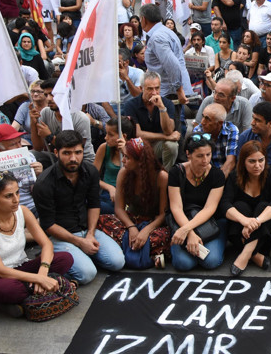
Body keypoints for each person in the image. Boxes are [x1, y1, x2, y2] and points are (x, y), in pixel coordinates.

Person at [34, 130, 125, 284]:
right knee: (87, 274)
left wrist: (90, 234)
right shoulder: (44, 184)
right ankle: (59, 259)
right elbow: (48, 225)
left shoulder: (90, 171)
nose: (73, 158)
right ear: (56, 152)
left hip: (86, 229)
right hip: (59, 236)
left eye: (78, 152)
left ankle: (81, 257)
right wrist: (79, 242)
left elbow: (94, 204)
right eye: (67, 153)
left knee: (117, 262)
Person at [0, 171, 74, 317]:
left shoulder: (23, 211)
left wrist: (43, 272)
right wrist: (39, 279)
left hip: (20, 267)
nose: (16, 200)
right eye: (8, 196)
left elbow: (47, 244)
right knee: (13, 289)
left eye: (17, 193)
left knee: (65, 258)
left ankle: (24, 298)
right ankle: (32, 292)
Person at [97, 137, 171, 269]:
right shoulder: (123, 173)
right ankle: (148, 254)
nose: (123, 160)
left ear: (140, 161)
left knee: (166, 236)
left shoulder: (161, 177)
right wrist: (131, 228)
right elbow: (119, 209)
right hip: (130, 220)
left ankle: (132, 251)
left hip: (153, 224)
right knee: (100, 220)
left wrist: (145, 232)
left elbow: (162, 215)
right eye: (123, 156)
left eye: (127, 157)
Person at [220, 141, 271, 276]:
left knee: (263, 206)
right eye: (252, 161)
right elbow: (224, 204)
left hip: (264, 229)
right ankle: (255, 255)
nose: (257, 165)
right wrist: (245, 221)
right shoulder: (234, 176)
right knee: (240, 206)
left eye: (261, 160)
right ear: (243, 162)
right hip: (240, 229)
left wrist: (256, 221)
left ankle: (245, 254)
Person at [167, 133, 226, 271]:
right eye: (199, 156)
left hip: (210, 223)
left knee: (211, 261)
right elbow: (176, 207)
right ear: (188, 154)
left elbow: (209, 208)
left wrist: (187, 230)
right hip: (183, 219)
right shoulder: (176, 172)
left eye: (208, 155)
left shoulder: (217, 175)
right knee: (184, 264)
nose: (205, 160)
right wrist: (190, 233)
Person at [122, 72, 180, 172]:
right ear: (141, 88)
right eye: (150, 89)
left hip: (157, 145)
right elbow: (137, 133)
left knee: (172, 145)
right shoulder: (131, 105)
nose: (154, 93)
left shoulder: (167, 103)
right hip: (139, 145)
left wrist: (162, 108)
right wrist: (165, 137)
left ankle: (166, 176)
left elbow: (169, 131)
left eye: (157, 88)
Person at [30, 79, 95, 163]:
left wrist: (49, 136)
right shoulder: (45, 112)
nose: (49, 99)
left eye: (53, 94)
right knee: (32, 155)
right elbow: (38, 147)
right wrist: (33, 123)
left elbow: (73, 151)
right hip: (58, 158)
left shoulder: (81, 118)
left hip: (81, 161)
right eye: (46, 95)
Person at [139, 4, 193, 105]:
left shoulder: (157, 37)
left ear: (143, 19)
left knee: (170, 120)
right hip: (170, 90)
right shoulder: (166, 32)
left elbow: (172, 64)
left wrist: (179, 90)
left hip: (170, 93)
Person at [0, 125, 42, 216]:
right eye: (13, 144)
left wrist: (40, 175)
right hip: (0, 213)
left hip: (30, 208)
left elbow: (39, 192)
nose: (19, 147)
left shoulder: (28, 157)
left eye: (19, 142)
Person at [192, 103, 239, 177]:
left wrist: (218, 183)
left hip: (226, 172)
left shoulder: (231, 130)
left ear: (220, 123)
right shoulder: (198, 129)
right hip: (205, 171)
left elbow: (230, 162)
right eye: (203, 117)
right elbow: (199, 161)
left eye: (208, 119)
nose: (202, 122)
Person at [93, 118, 127, 214]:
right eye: (106, 133)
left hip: (128, 196)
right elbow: (93, 177)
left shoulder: (136, 147)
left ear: (123, 136)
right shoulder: (104, 148)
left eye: (110, 135)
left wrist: (125, 151)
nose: (106, 137)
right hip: (108, 196)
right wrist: (110, 188)